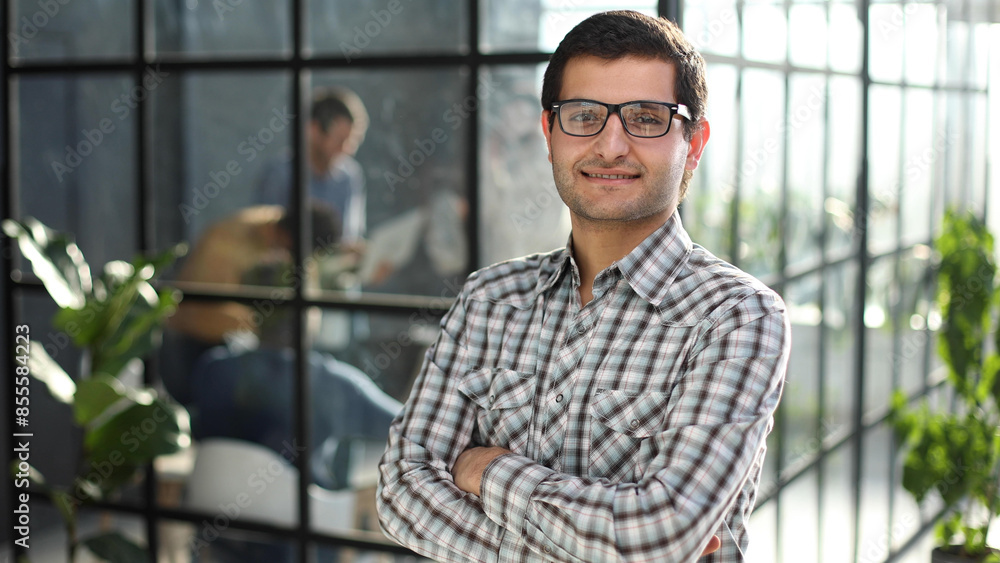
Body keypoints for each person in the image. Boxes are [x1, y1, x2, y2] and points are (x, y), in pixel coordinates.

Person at [377, 10, 789, 563]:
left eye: (646, 117)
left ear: (692, 142)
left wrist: (487, 468)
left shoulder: (737, 317)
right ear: (550, 134)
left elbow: (660, 534)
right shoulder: (488, 300)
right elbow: (401, 490)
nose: (611, 145)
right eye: (584, 115)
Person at [161, 203, 340, 407]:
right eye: (291, 251)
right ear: (287, 239)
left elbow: (307, 280)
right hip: (188, 348)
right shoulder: (226, 245)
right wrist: (257, 326)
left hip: (224, 341)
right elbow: (192, 315)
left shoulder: (276, 222)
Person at [255, 86, 369, 245]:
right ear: (314, 130)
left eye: (352, 143)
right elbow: (264, 238)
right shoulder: (280, 174)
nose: (347, 150)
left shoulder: (349, 177)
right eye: (340, 141)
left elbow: (351, 236)